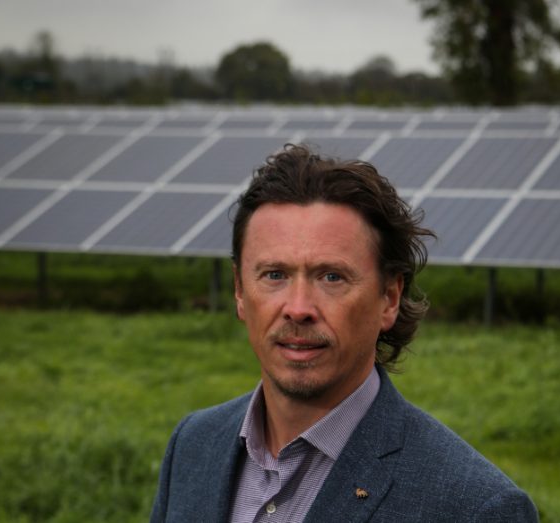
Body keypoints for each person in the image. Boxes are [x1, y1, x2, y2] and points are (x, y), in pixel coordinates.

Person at [150, 144, 538, 522]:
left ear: (389, 297)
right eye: (275, 275)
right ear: (239, 291)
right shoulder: (193, 445)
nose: (298, 307)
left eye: (332, 277)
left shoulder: (476, 508)